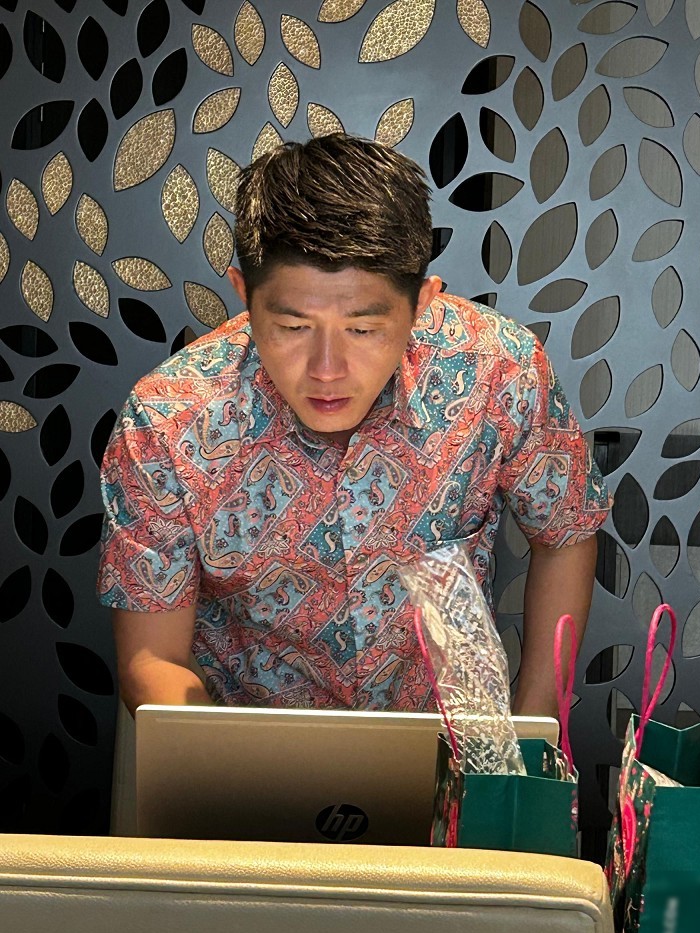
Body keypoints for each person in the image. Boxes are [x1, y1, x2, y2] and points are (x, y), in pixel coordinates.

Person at [98, 133, 611, 718]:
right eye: (293, 327)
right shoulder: (168, 420)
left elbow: (566, 534)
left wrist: (533, 731)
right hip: (249, 746)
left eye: (363, 330)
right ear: (244, 294)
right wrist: (231, 755)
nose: (327, 369)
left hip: (448, 743)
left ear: (421, 302)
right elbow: (152, 658)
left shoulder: (497, 370)